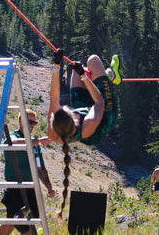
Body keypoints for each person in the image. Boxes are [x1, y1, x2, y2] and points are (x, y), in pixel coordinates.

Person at [47, 49, 121, 217]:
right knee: (93, 60)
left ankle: (102, 75)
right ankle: (111, 75)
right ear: (74, 119)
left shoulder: (54, 132)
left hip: (86, 109)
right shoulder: (88, 124)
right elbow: (99, 102)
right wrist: (84, 78)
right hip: (104, 114)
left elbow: (54, 99)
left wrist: (56, 66)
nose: (65, 107)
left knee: (75, 68)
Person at [0, 108, 56, 235]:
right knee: (12, 220)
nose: (31, 125)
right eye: (29, 122)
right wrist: (39, 141)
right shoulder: (14, 135)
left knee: (30, 223)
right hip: (15, 185)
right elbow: (11, 142)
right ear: (20, 121)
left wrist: (49, 186)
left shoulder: (35, 143)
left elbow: (40, 169)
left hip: (31, 187)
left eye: (34, 123)